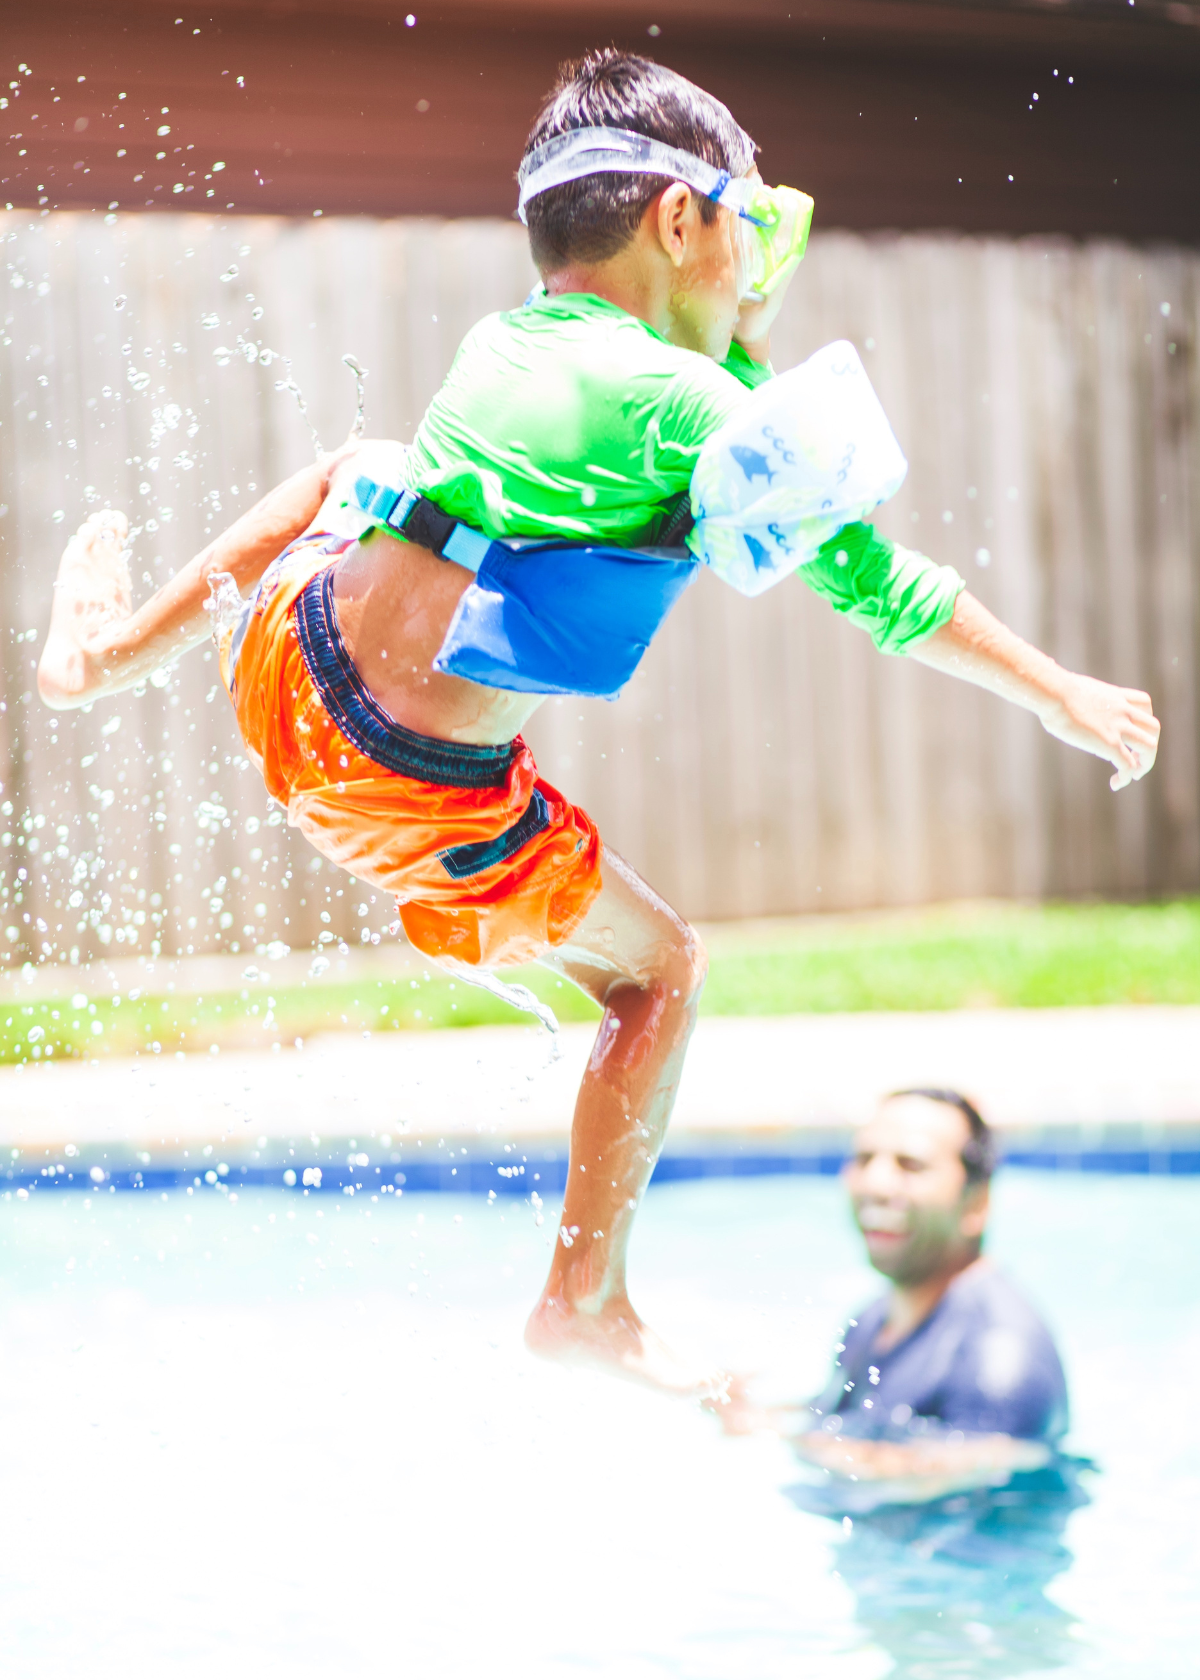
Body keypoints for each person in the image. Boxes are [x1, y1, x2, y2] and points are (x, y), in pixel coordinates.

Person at [37, 52, 1158, 1397]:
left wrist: (726, 332)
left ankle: (101, 658)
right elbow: (886, 589)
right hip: (407, 784)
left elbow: (631, 401)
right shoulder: (690, 411)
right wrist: (1064, 694)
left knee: (367, 469)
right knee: (664, 974)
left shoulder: (509, 344)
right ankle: (586, 1299)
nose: (757, 264)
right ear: (679, 223)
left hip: (284, 659)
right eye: (743, 227)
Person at [719, 1090, 1071, 1500]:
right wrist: (745, 1407)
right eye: (865, 1160)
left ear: (977, 1202)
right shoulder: (873, 1319)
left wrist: (772, 1432)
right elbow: (843, 1421)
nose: (876, 1184)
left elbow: (949, 1476)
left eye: (911, 1165)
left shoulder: (1000, 1356)